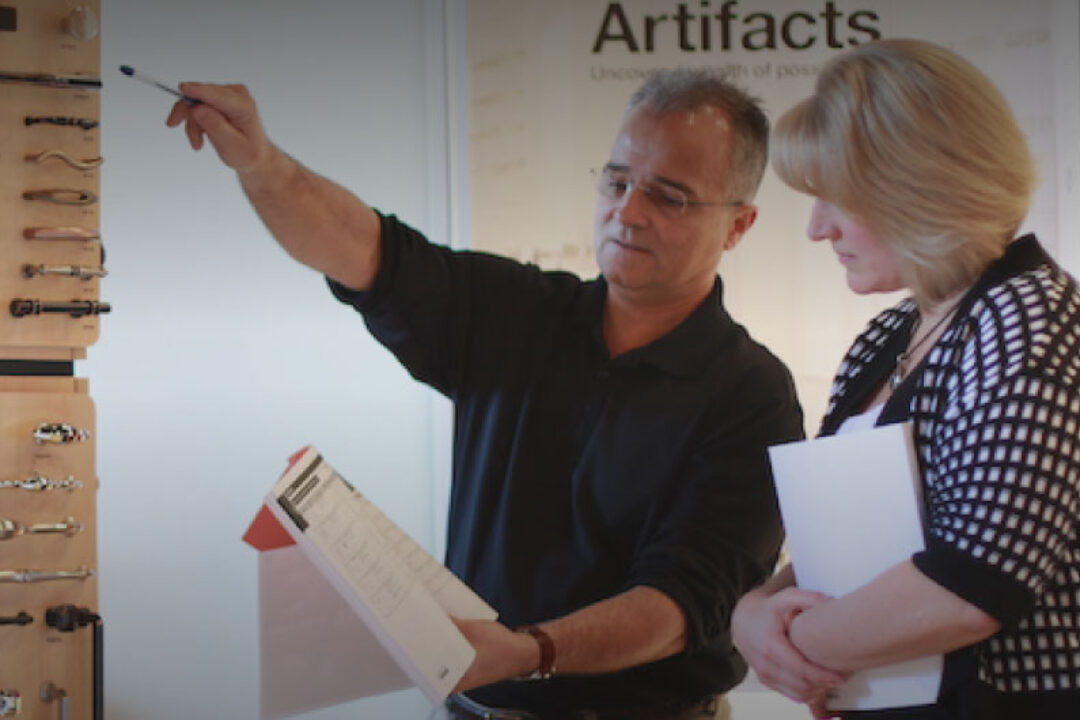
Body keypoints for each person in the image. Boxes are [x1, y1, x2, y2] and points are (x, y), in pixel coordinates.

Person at [167, 68, 803, 719]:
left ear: (738, 225)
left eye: (669, 198)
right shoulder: (521, 312)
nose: (628, 212)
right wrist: (260, 162)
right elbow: (365, 251)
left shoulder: (752, 396)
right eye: (617, 181)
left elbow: (684, 605)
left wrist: (533, 651)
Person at [730, 38, 1080, 720]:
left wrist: (789, 644)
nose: (816, 228)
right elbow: (856, 545)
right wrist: (756, 610)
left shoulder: (1028, 319)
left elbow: (978, 580)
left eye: (835, 198)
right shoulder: (888, 336)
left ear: (920, 186)